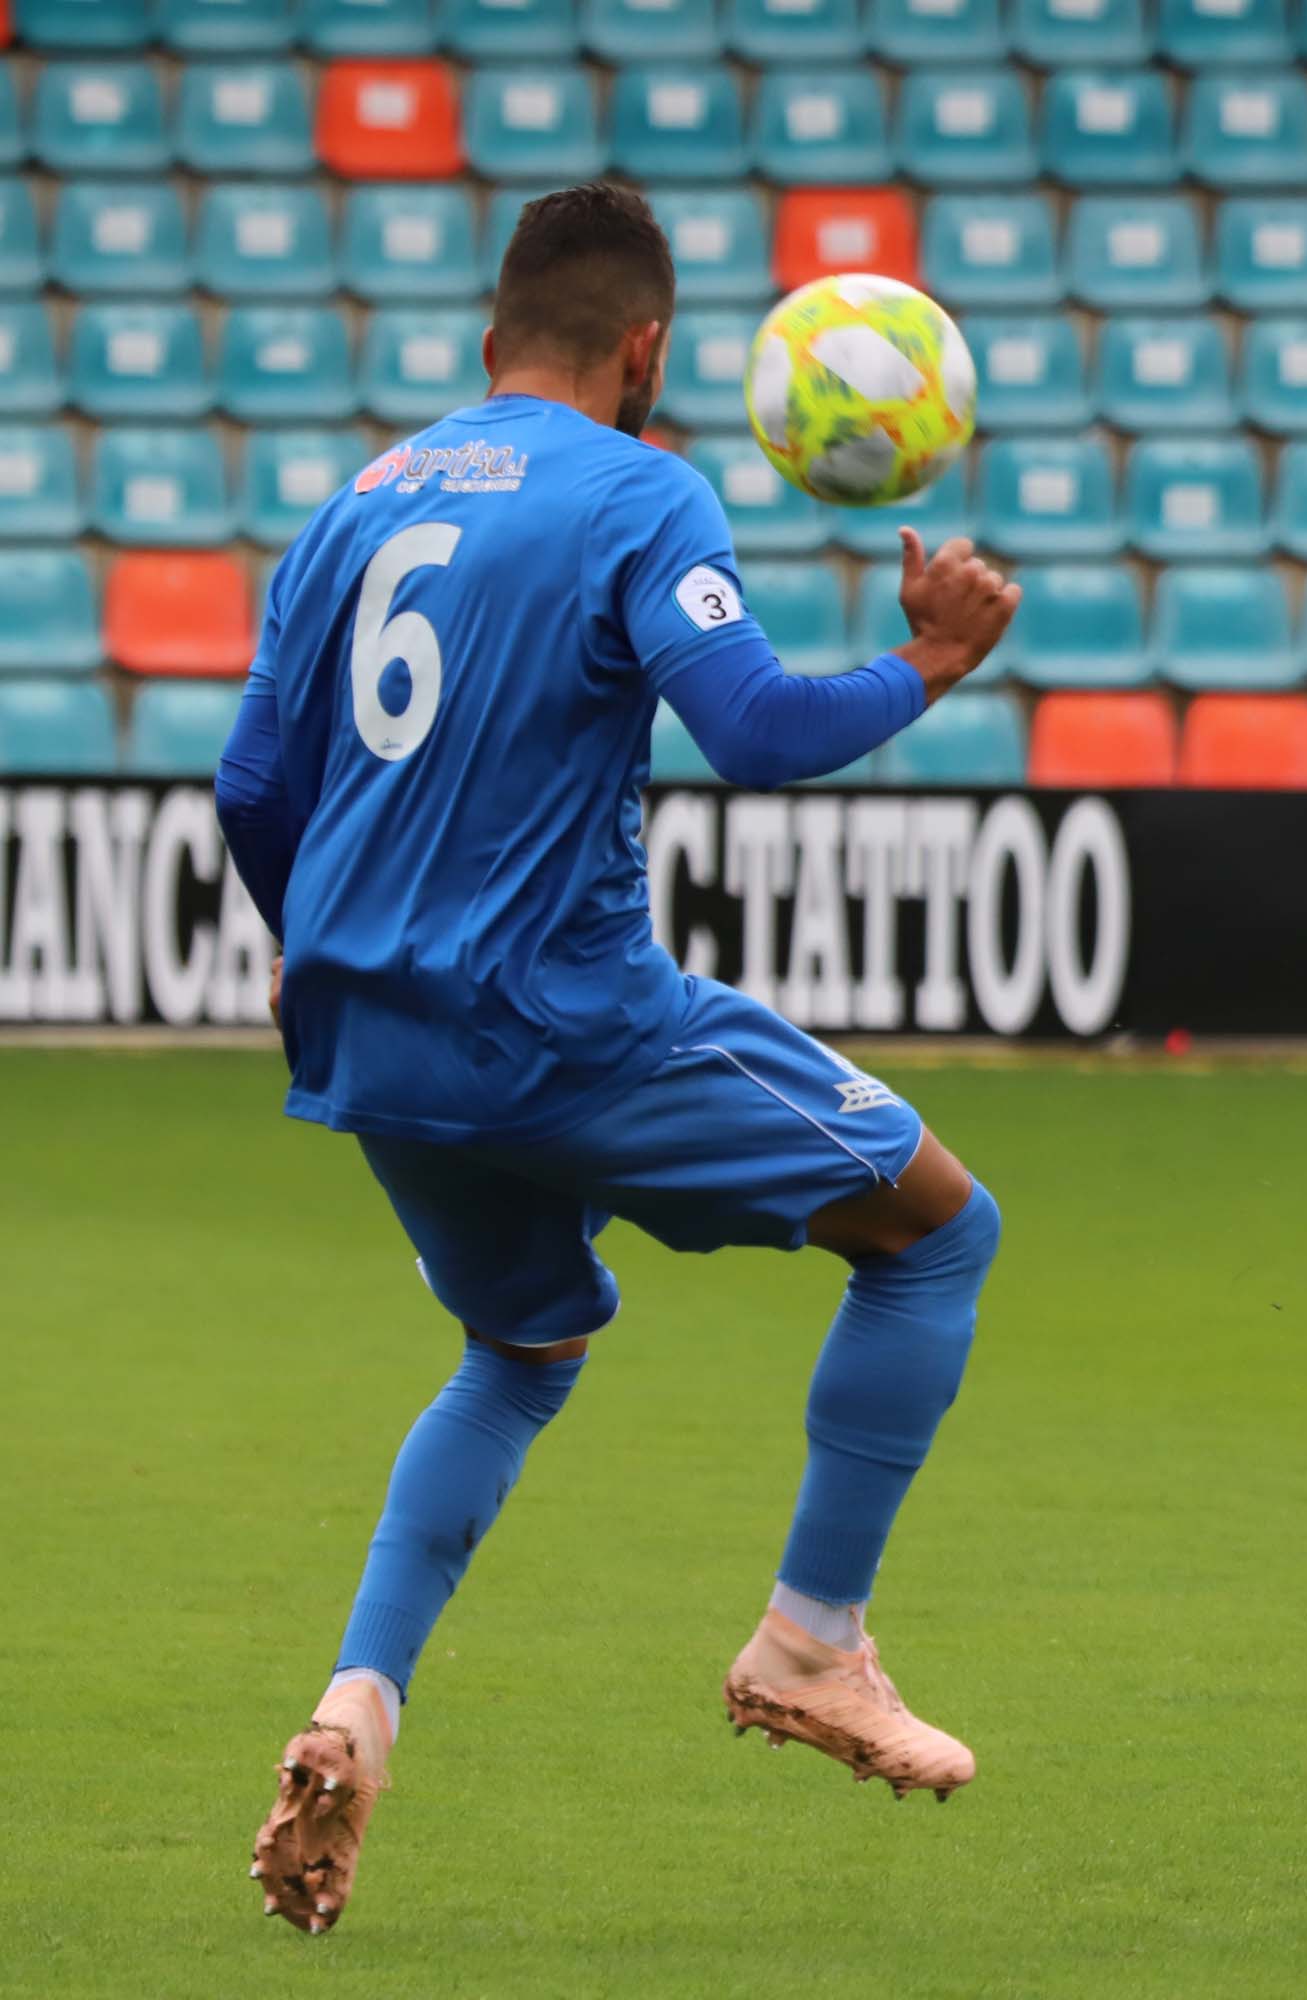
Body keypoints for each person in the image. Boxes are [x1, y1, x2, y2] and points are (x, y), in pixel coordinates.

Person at [218, 184, 1023, 1934]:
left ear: (489, 335)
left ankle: (360, 1696)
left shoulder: (354, 505)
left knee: (521, 1343)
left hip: (372, 1038)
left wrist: (320, 951)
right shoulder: (641, 489)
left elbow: (252, 792)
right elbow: (756, 727)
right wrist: (931, 657)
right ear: (652, 348)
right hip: (566, 1022)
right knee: (942, 1232)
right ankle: (812, 1642)